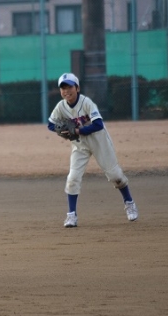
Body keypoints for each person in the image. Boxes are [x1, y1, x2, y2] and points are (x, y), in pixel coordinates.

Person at [47, 73, 138, 227]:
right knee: (72, 178)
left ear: (77, 88)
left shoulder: (87, 103)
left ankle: (129, 202)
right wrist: (59, 129)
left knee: (115, 175)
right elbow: (50, 124)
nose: (66, 90)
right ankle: (71, 215)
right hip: (79, 145)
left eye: (69, 86)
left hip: (99, 140)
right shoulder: (61, 106)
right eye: (63, 87)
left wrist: (76, 131)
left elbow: (98, 125)